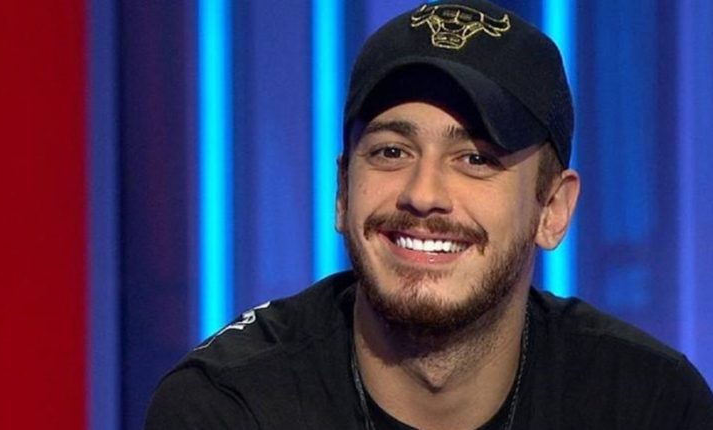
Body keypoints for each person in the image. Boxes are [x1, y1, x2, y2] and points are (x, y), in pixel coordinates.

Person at [145, 1, 713, 428]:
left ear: (553, 210)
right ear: (343, 192)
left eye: (476, 159)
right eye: (391, 152)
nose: (422, 194)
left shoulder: (650, 405)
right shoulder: (229, 408)